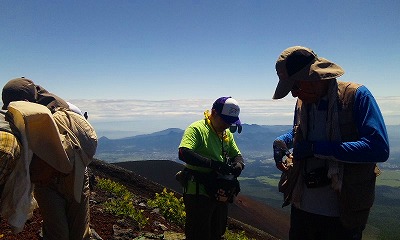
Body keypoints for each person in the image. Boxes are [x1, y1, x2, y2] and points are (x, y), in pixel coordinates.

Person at [271, 46, 389, 240]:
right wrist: (281, 142)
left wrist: (316, 149)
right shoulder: (304, 102)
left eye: (295, 86)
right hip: (302, 208)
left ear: (313, 77)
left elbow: (378, 148)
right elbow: (300, 133)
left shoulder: (356, 96)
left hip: (341, 214)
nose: (293, 94)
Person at [1, 77, 91, 239]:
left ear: (24, 101)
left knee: (67, 231)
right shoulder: (68, 111)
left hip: (56, 175)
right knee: (71, 230)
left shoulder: (57, 116)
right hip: (61, 176)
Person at [178, 96, 245, 240]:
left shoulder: (226, 133)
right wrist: (213, 165)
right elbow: (184, 152)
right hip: (198, 189)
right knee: (199, 233)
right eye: (225, 121)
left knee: (217, 231)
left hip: (219, 190)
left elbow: (236, 154)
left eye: (231, 122)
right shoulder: (197, 129)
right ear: (213, 113)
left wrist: (239, 164)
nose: (228, 125)